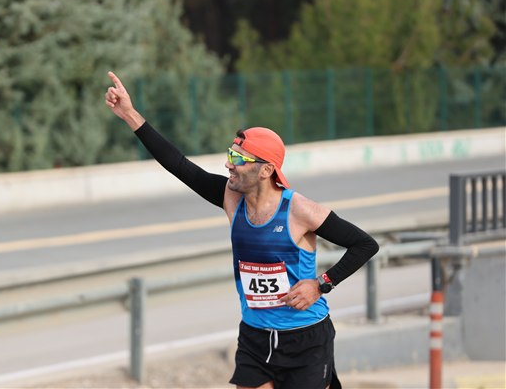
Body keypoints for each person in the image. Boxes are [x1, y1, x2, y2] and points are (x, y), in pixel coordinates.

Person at [104, 71, 379, 389]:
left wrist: (321, 284)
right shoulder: (231, 198)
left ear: (266, 170)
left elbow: (364, 244)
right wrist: (129, 114)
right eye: (230, 155)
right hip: (255, 337)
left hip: (306, 338)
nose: (228, 164)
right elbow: (178, 164)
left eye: (238, 158)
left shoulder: (299, 210)